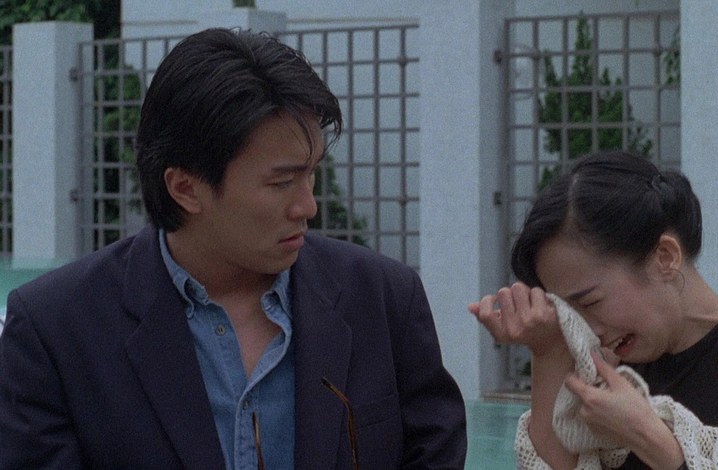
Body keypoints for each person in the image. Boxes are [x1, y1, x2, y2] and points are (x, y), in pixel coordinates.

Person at [0, 27, 467, 469]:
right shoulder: (55, 330)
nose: (308, 205)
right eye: (282, 182)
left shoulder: (383, 299)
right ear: (186, 188)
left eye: (311, 173)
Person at [469, 151, 718, 469]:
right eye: (569, 310)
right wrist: (547, 351)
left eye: (590, 302)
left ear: (665, 257)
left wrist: (650, 439)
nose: (590, 328)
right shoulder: (607, 364)